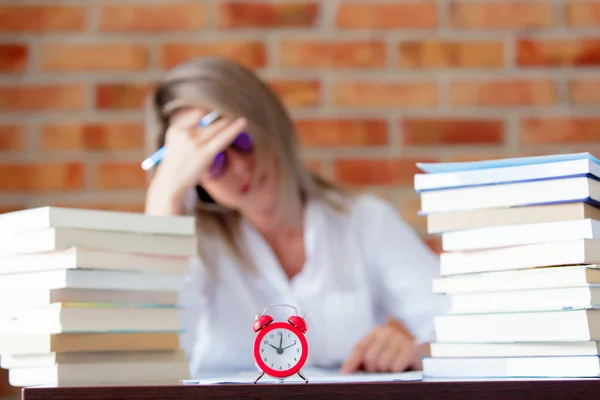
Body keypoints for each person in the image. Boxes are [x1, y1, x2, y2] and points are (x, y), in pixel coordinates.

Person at [143, 56, 448, 379]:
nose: (242, 168)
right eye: (213, 162)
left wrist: (419, 352)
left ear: (267, 123)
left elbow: (462, 329)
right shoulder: (196, 247)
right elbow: (150, 360)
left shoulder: (365, 223)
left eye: (241, 141)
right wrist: (165, 197)